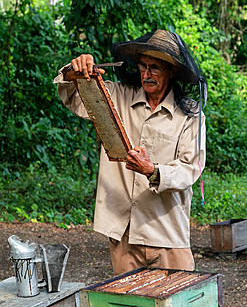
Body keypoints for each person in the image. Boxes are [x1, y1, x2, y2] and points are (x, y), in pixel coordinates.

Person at [54, 29, 207, 275]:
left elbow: (191, 168)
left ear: (172, 70)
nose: (146, 74)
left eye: (155, 68)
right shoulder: (118, 96)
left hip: (167, 233)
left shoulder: (189, 114)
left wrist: (153, 171)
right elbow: (74, 96)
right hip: (124, 233)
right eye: (142, 66)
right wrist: (76, 71)